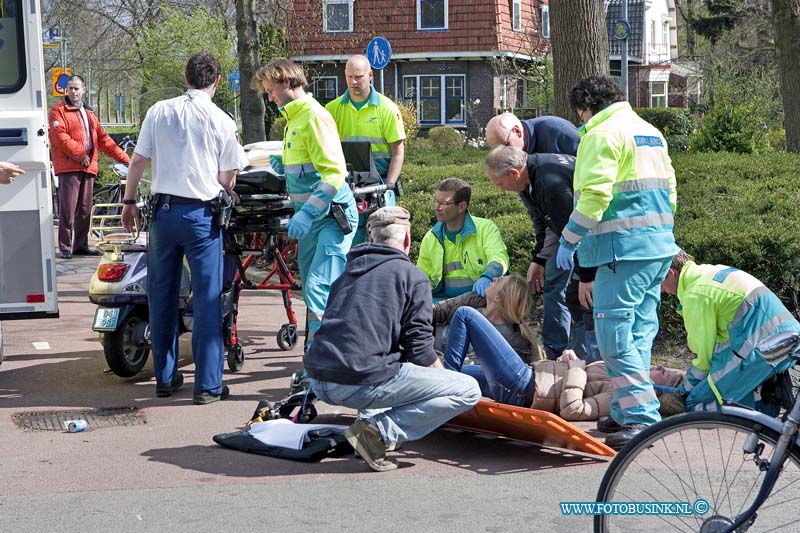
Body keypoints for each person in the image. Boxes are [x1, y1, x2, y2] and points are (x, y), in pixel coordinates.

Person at [304, 206, 481, 472]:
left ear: (371, 239)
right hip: (359, 380)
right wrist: (443, 381)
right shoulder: (412, 276)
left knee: (384, 368)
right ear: (407, 240)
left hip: (319, 379)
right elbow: (420, 350)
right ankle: (378, 431)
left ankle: (370, 428)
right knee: (467, 389)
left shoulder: (346, 274)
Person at [555, 76, 679, 449]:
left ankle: (641, 420)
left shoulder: (601, 134)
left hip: (618, 252)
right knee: (638, 334)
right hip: (657, 249)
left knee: (614, 340)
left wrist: (568, 239)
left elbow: (594, 195)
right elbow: (670, 191)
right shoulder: (650, 132)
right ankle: (626, 411)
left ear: (585, 107)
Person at [121, 52, 247, 404]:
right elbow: (226, 178)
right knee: (206, 299)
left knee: (160, 295)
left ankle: (164, 377)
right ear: (217, 80)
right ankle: (206, 386)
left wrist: (129, 202)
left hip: (162, 213)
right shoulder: (222, 120)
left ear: (185, 76)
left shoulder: (158, 110)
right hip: (201, 217)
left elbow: (139, 159)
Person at [443, 283, 684, 421]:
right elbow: (566, 382)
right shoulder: (617, 374)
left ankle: (443, 387)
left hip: (523, 385)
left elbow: (574, 409)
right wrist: (568, 363)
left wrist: (576, 369)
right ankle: (436, 383)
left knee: (466, 315)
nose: (656, 366)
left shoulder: (618, 394)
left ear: (655, 390)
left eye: (662, 373)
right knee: (452, 370)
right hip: (528, 378)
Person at [251, 59, 357, 350]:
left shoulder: (312, 116)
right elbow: (309, 164)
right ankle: (318, 355)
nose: (270, 98)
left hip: (331, 218)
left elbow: (335, 172)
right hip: (313, 219)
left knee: (318, 287)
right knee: (314, 291)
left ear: (287, 82)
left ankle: (326, 357)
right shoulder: (294, 119)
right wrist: (285, 165)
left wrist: (309, 211)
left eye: (271, 90)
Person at [485, 145, 599, 363]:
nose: (501, 189)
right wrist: (539, 259)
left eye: (500, 184)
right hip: (577, 245)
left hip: (595, 247)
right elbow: (546, 223)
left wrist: (587, 276)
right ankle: (572, 358)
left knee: (583, 299)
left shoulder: (550, 184)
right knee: (571, 296)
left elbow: (581, 230)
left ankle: (589, 364)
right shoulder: (530, 180)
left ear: (514, 173)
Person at [659, 249, 800, 413]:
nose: (661, 290)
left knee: (694, 404)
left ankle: (765, 415)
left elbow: (705, 361)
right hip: (784, 336)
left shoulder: (695, 295)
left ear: (670, 273)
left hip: (764, 348)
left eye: (658, 282)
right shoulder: (708, 273)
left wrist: (683, 393)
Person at [325, 55, 406, 244]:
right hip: (345, 186)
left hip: (379, 184)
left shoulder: (386, 109)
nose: (353, 82)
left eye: (359, 77)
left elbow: (398, 152)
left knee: (384, 241)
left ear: (370, 75)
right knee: (349, 241)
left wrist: (389, 186)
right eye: (349, 76)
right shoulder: (331, 109)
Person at [49, 74, 130, 259]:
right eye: (70, 88)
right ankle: (64, 246)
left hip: (88, 167)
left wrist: (126, 159)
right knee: (68, 209)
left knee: (85, 210)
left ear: (84, 90)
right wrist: (80, 155)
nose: (73, 91)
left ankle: (80, 245)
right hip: (70, 167)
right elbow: (60, 137)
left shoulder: (89, 114)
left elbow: (104, 140)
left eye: (77, 88)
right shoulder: (58, 111)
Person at [417, 178, 509, 301]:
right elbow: (421, 277)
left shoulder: (485, 228)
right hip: (443, 302)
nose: (437, 207)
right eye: (436, 201)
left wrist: (487, 277)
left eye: (444, 203)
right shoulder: (431, 237)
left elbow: (499, 257)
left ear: (461, 206)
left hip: (480, 299)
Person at [485, 112, 580, 157]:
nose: (502, 154)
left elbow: (589, 164)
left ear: (517, 131)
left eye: (505, 146)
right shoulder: (519, 150)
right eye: (496, 150)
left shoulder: (558, 131)